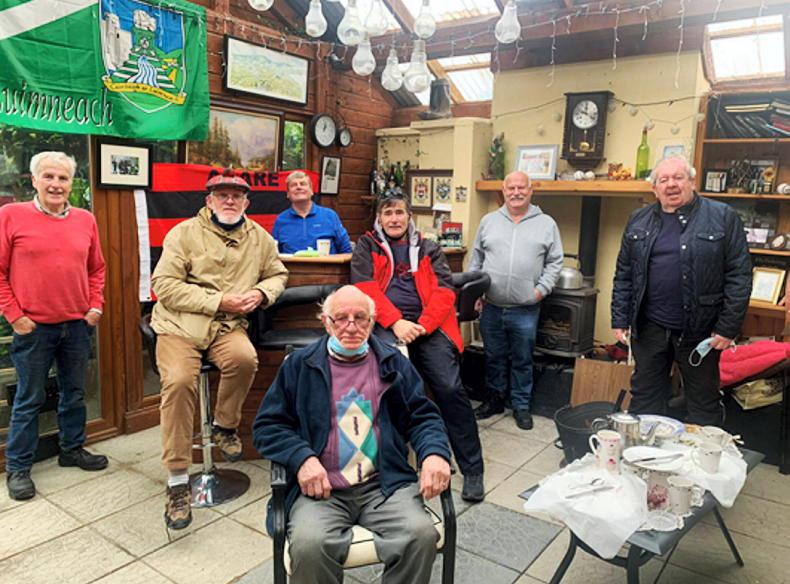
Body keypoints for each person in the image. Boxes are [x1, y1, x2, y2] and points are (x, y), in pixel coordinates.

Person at [253, 285, 452, 584]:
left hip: (383, 484)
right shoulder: (299, 366)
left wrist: (435, 453)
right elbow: (268, 426)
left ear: (372, 322)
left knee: (420, 535)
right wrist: (302, 458)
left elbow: (423, 416)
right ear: (326, 322)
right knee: (309, 546)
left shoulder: (393, 362)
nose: (351, 326)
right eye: (341, 318)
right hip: (321, 490)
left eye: (360, 318)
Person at [151, 169, 288, 529]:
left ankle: (224, 426)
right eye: (222, 195)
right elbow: (163, 285)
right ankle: (178, 481)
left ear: (246, 202)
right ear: (208, 201)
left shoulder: (260, 238)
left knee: (244, 359)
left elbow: (278, 274)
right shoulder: (183, 233)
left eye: (236, 196)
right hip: (180, 325)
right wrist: (219, 300)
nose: (230, 201)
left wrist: (261, 293)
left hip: (226, 327)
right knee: (180, 381)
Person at [351, 193, 485, 502]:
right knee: (391, 387)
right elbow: (365, 289)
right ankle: (400, 463)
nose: (394, 219)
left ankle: (473, 468)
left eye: (400, 212)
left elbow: (445, 291)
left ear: (409, 216)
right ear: (379, 218)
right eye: (388, 213)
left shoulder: (429, 247)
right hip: (386, 325)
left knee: (450, 388)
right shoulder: (367, 246)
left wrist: (423, 325)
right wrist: (396, 322)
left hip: (429, 327)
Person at [611, 156, 751, 425]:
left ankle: (699, 453)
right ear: (654, 189)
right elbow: (625, 273)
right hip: (650, 328)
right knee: (645, 399)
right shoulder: (638, 220)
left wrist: (727, 328)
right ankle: (646, 449)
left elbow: (739, 275)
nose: (671, 185)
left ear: (692, 182)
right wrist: (620, 319)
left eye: (678, 177)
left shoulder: (722, 216)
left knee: (703, 403)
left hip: (701, 331)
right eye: (663, 180)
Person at [0, 151, 108, 501]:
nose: (56, 184)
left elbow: (96, 268)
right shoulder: (11, 216)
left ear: (70, 183)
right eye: (48, 176)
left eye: (63, 178)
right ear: (34, 180)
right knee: (29, 398)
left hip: (76, 326)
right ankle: (18, 467)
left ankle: (71, 449)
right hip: (33, 329)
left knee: (74, 393)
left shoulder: (85, 219)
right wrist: (14, 315)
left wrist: (95, 305)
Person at [470, 170, 564, 430]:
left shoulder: (546, 224)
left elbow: (555, 262)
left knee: (523, 359)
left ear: (531, 191)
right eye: (511, 188)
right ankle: (495, 400)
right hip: (491, 306)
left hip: (526, 308)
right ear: (504, 191)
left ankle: (521, 406)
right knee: (493, 357)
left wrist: (540, 290)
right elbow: (476, 260)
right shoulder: (488, 221)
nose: (516, 192)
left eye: (521, 187)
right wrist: (475, 292)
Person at [273, 171, 353, 254]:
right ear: (288, 194)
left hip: (326, 262)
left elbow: (346, 250)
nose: (299, 187)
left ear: (311, 191)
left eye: (303, 184)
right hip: (289, 263)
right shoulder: (281, 220)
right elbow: (273, 253)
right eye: (293, 185)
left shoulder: (330, 216)